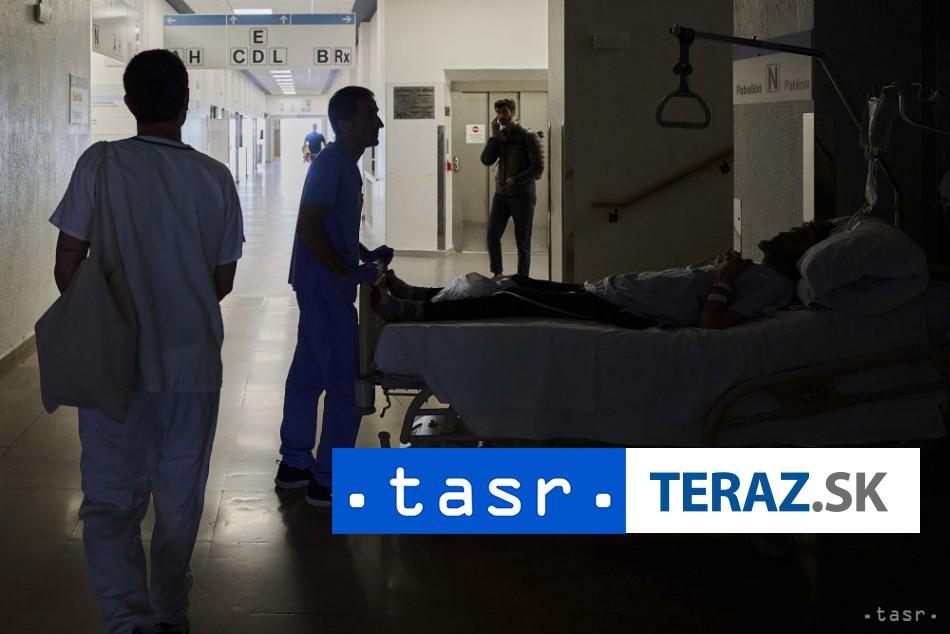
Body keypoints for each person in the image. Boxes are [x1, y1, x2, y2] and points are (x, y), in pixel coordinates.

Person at [49, 50, 243, 634]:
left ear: (129, 103)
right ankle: (170, 612)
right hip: (192, 364)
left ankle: (128, 621)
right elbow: (222, 279)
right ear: (186, 103)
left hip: (114, 365)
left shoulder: (100, 164)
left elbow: (67, 265)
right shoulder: (215, 177)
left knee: (111, 500)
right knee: (180, 495)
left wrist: (108, 309)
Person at [371, 221, 836, 330]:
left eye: (799, 235)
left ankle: (414, 313)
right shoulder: (760, 273)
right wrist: (722, 269)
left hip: (626, 311)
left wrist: (726, 276)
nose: (787, 231)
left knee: (511, 301)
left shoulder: (775, 287)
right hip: (615, 291)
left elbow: (713, 322)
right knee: (516, 282)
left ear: (804, 255)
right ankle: (423, 293)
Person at [276, 86, 392, 507]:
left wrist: (363, 254)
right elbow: (309, 224)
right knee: (345, 382)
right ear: (345, 124)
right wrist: (345, 273)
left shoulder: (343, 164)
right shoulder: (332, 164)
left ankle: (295, 464)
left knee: (308, 375)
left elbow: (332, 226)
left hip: (320, 285)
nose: (379, 123)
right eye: (370, 115)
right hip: (325, 289)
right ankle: (327, 479)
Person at [481, 98, 544, 278]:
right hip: (501, 196)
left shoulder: (528, 136)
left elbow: (538, 168)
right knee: (492, 235)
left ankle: (522, 278)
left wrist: (514, 180)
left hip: (523, 196)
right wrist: (494, 137)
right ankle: (497, 274)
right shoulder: (500, 137)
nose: (501, 116)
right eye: (498, 113)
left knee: (522, 240)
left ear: (514, 113)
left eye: (504, 112)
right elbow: (486, 160)